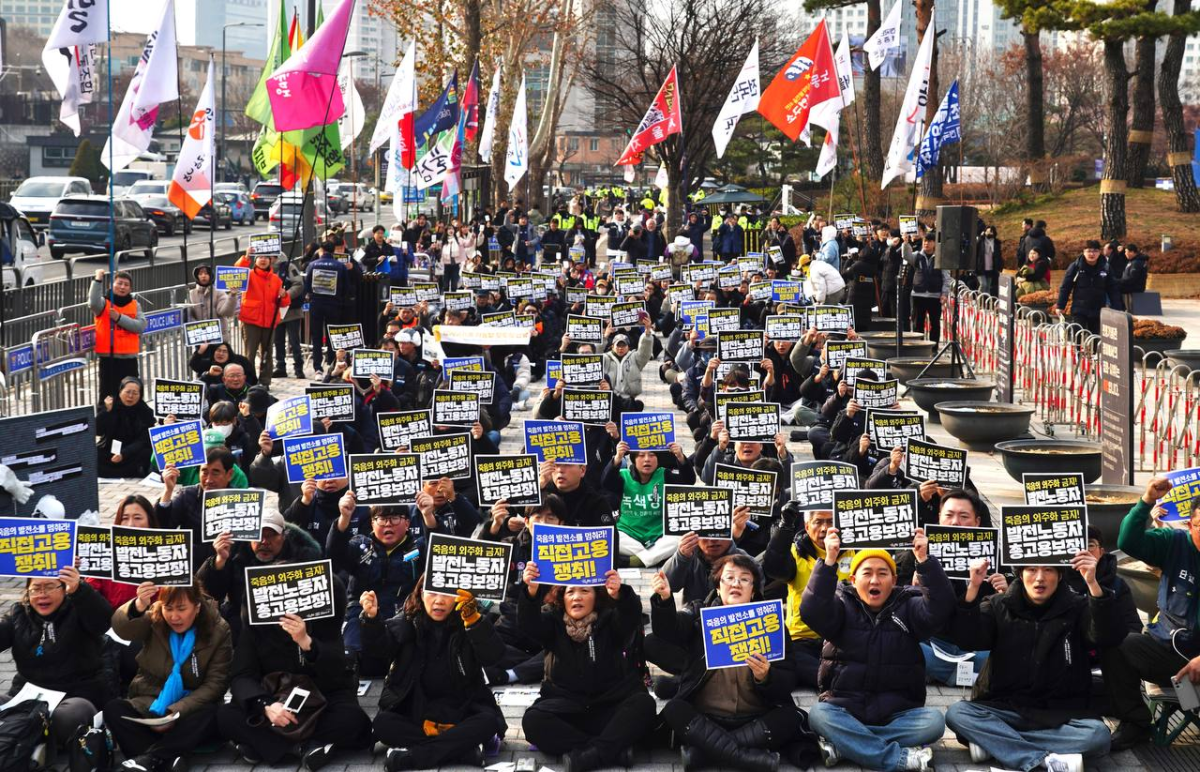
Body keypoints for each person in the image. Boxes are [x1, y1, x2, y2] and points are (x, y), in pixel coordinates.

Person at [942, 551, 1121, 772]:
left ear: (1060, 575)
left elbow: (1107, 636)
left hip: (1060, 713)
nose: (1039, 578)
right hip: (1004, 707)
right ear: (1020, 573)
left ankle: (997, 743)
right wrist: (973, 588)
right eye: (1032, 570)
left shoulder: (1077, 607)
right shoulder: (998, 605)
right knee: (957, 714)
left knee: (1098, 736)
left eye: (1048, 570)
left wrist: (1093, 583)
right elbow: (967, 639)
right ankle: (1044, 760)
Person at [802, 529, 953, 772]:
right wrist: (829, 560)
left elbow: (941, 608)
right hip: (845, 709)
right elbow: (812, 610)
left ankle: (846, 745)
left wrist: (924, 561)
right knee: (819, 715)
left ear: (893, 580)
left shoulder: (909, 605)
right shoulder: (841, 605)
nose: (874, 580)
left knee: (934, 722)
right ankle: (899, 759)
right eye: (867, 573)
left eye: (882, 574)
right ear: (853, 579)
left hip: (897, 714)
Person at [652, 554, 809, 772]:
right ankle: (748, 758)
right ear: (718, 587)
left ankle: (703, 755)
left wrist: (766, 677)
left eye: (744, 579)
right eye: (729, 578)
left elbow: (788, 679)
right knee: (675, 709)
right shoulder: (699, 615)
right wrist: (665, 600)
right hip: (706, 717)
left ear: (753, 591)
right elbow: (669, 630)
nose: (736, 583)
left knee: (790, 717)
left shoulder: (771, 624)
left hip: (755, 717)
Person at [217, 578, 371, 770]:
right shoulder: (257, 627)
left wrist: (307, 642)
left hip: (321, 701)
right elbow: (241, 676)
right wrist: (266, 705)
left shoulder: (324, 619)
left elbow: (337, 670)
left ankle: (265, 746)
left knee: (352, 719)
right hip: (274, 702)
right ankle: (302, 748)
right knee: (226, 716)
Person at [518, 565, 657, 772]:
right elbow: (528, 624)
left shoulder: (609, 619)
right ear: (562, 598)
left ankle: (590, 755)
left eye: (584, 591)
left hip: (610, 704)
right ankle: (611, 750)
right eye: (570, 592)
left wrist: (619, 593)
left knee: (644, 704)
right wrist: (530, 591)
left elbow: (630, 616)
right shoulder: (552, 621)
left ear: (596, 597)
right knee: (533, 721)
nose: (577, 597)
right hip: (567, 708)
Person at [362, 581, 507, 771]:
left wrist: (475, 623)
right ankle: (461, 751)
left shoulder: (469, 619)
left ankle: (413, 757)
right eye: (432, 593)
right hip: (416, 712)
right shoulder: (406, 622)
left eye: (447, 594)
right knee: (383, 724)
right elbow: (377, 651)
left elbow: (494, 656)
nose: (439, 601)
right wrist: (371, 620)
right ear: (421, 594)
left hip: (461, 710)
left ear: (459, 596)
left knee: (488, 722)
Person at [1101, 476, 1200, 750]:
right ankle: (1135, 723)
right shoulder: (1174, 543)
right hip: (1170, 654)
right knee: (1118, 642)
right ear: (1190, 525)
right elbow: (1129, 541)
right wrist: (1146, 501)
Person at [105, 583, 232, 772]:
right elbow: (123, 629)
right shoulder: (154, 618)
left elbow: (216, 684)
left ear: (197, 607)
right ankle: (169, 760)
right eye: (168, 608)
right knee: (114, 709)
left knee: (212, 714)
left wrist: (175, 711)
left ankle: (151, 759)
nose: (174, 616)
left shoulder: (218, 629)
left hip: (190, 707)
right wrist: (139, 605)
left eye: (181, 609)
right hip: (152, 701)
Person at [0, 566, 113, 765]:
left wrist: (79, 589)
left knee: (71, 715)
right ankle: (30, 740)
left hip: (73, 696)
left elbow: (103, 621)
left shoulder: (80, 609)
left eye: (50, 587)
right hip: (28, 700)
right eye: (36, 589)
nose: (42, 594)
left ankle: (28, 741)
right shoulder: (19, 614)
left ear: (64, 589)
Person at [328, 504, 425, 677]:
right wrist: (344, 518)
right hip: (361, 614)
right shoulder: (360, 545)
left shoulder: (419, 547)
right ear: (372, 523)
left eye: (395, 518)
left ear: (407, 523)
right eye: (382, 519)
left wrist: (429, 516)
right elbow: (334, 554)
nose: (388, 524)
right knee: (348, 658)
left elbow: (441, 550)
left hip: (403, 615)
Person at [762, 506, 852, 688]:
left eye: (830, 521)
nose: (825, 528)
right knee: (790, 660)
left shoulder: (855, 551)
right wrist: (785, 526)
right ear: (807, 526)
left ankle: (839, 680)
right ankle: (839, 681)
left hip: (843, 637)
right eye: (818, 522)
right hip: (802, 640)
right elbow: (773, 568)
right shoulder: (796, 552)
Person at [196, 510, 322, 637]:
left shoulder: (302, 558)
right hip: (240, 629)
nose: (265, 541)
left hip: (286, 633)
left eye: (272, 535)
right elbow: (211, 592)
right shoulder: (235, 554)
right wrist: (220, 560)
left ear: (284, 536)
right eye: (258, 535)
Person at [603, 442, 695, 567]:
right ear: (634, 460)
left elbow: (689, 481)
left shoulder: (665, 474)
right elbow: (605, 482)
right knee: (608, 538)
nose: (647, 459)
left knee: (679, 539)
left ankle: (634, 561)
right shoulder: (623, 475)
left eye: (652, 455)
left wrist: (680, 456)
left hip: (658, 534)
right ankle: (654, 557)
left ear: (658, 459)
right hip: (628, 533)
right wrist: (618, 457)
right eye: (641, 455)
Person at [156, 447, 239, 571]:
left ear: (229, 474)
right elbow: (161, 529)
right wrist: (168, 490)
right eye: (204, 472)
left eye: (215, 473)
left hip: (224, 569)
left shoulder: (241, 502)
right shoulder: (187, 495)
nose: (208, 480)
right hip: (188, 566)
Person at [91, 269, 147, 402]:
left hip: (129, 360)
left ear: (130, 288)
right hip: (108, 359)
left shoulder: (135, 305)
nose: (122, 287)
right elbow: (93, 303)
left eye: (126, 284)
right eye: (119, 283)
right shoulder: (103, 303)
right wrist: (98, 279)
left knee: (131, 397)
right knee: (108, 397)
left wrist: (119, 318)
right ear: (111, 285)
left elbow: (140, 326)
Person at [239, 251, 290, 389]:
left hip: (270, 321)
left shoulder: (276, 279)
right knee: (249, 354)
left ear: (271, 260)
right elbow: (237, 272)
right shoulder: (248, 275)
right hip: (250, 320)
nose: (263, 260)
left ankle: (265, 381)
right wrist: (246, 257)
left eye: (266, 257)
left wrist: (284, 295)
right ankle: (249, 381)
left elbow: (284, 303)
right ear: (255, 260)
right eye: (260, 257)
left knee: (267, 354)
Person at [1051, 240, 1124, 335]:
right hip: (1079, 309)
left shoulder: (1106, 268)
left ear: (1099, 252)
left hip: (1098, 309)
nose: (1092, 254)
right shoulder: (1076, 267)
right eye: (1089, 251)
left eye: (1095, 251)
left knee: (1095, 337)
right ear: (1084, 252)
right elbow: (1065, 287)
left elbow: (1113, 289)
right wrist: (1060, 306)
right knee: (1078, 335)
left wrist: (1117, 308)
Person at [97, 376, 157, 478]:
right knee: (95, 455)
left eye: (135, 393)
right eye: (127, 392)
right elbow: (97, 431)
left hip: (132, 452)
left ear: (140, 395)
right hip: (111, 450)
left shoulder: (145, 412)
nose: (130, 396)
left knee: (146, 453)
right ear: (120, 392)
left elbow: (143, 440)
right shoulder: (111, 407)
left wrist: (124, 454)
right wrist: (107, 412)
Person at [305, 243, 350, 372]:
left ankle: (317, 367)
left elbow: (307, 286)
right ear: (334, 250)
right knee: (333, 337)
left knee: (316, 337)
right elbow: (346, 288)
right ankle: (332, 364)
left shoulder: (312, 265)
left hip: (316, 304)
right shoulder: (340, 266)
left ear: (321, 250)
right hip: (334, 305)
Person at [272, 256, 307, 380]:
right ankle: (280, 366)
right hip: (275, 311)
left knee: (294, 341)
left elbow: (298, 284)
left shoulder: (289, 267)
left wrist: (285, 295)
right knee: (278, 340)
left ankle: (298, 368)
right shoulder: (267, 269)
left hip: (291, 310)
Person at [910, 234, 948, 342]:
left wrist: (944, 293)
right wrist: (905, 243)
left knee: (935, 324)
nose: (926, 243)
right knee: (918, 323)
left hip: (935, 295)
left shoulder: (940, 257)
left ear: (934, 243)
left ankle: (933, 347)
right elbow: (906, 255)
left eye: (929, 241)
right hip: (918, 294)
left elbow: (946, 277)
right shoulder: (917, 255)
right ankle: (918, 346)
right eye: (925, 241)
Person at [187, 265, 237, 341]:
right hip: (200, 337)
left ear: (211, 275)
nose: (203, 276)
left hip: (219, 335)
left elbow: (226, 312)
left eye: (206, 273)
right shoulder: (191, 293)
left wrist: (232, 296)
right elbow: (189, 315)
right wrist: (199, 328)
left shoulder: (219, 292)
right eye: (200, 274)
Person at [975, 225, 1002, 296]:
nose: (988, 233)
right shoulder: (981, 241)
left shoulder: (996, 243)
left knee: (988, 287)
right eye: (987, 231)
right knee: (983, 284)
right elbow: (975, 252)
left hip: (991, 268)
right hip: (981, 267)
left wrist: (999, 266)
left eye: (990, 232)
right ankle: (979, 299)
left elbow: (998, 256)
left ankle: (987, 300)